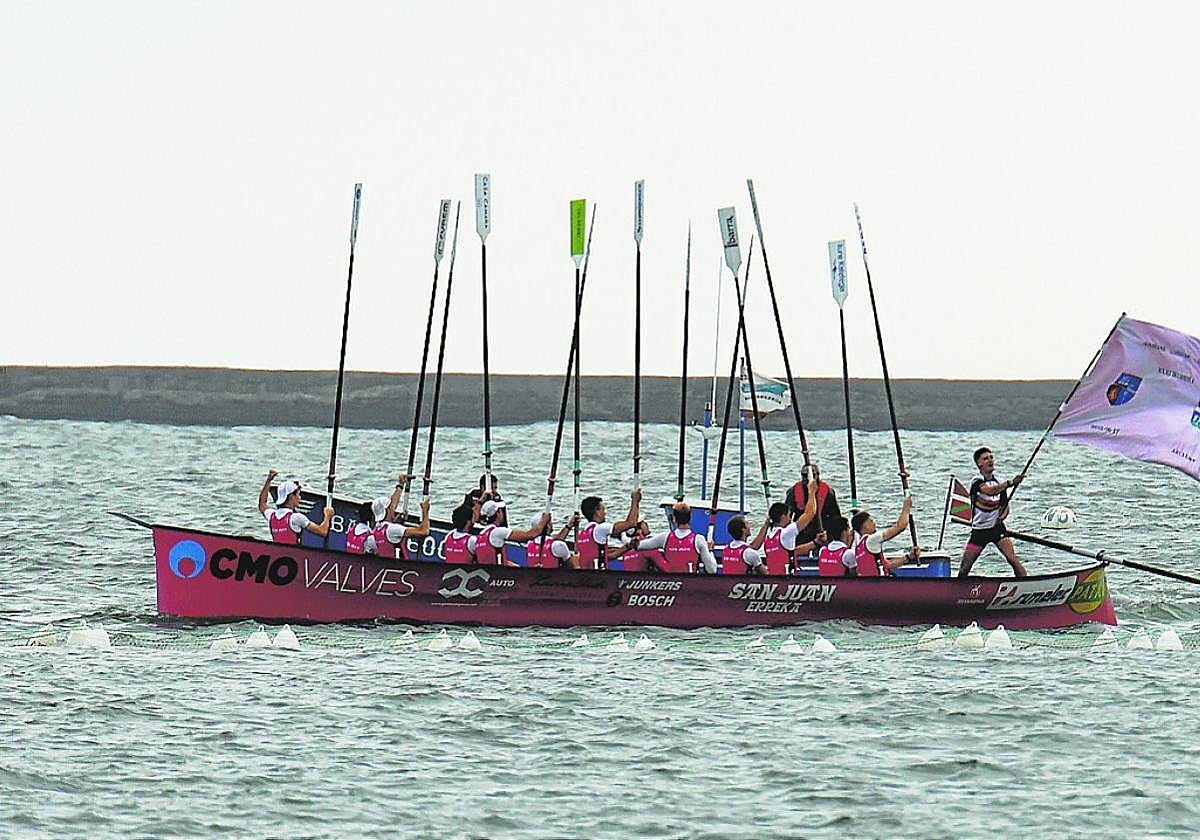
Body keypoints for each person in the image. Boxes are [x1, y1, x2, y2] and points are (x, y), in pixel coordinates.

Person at [958, 447, 1027, 578]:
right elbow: (990, 491)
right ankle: (957, 590)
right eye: (985, 458)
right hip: (979, 531)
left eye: (991, 457)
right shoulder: (976, 481)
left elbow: (1005, 505)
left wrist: (1003, 516)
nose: (990, 460)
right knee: (965, 567)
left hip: (996, 529)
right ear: (979, 464)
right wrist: (1011, 482)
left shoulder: (999, 482)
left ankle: (1026, 584)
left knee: (1012, 559)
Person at [752, 481, 823, 575]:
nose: (790, 519)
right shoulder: (786, 533)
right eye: (789, 515)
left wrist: (815, 543)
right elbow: (810, 513)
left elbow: (793, 551)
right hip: (788, 581)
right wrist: (811, 492)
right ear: (783, 517)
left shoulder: (768, 539)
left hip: (774, 580)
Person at [633, 503, 718, 573]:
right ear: (690, 519)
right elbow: (712, 570)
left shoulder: (664, 538)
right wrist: (710, 550)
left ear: (674, 519)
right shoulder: (699, 540)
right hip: (690, 584)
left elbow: (637, 546)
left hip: (672, 585)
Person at [345, 473, 415, 555]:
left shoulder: (353, 529)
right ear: (373, 518)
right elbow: (388, 535)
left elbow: (391, 507)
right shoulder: (371, 539)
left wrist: (400, 485)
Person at [258, 470, 333, 544]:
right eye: (298, 494)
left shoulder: (271, 515)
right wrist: (327, 516)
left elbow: (262, 504)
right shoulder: (296, 518)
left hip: (277, 554)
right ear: (291, 496)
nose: (299, 498)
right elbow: (323, 532)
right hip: (293, 555)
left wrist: (268, 480)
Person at [851, 496, 919, 576]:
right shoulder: (871, 540)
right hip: (880, 584)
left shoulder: (858, 548)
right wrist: (906, 507)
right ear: (865, 525)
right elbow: (900, 526)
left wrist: (908, 557)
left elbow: (887, 565)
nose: (874, 524)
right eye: (871, 521)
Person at [576, 488, 642, 571]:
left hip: (586, 576)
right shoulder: (600, 529)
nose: (605, 513)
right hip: (600, 577)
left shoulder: (582, 534)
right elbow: (631, 523)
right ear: (597, 511)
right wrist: (635, 501)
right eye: (603, 509)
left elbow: (608, 557)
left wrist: (628, 546)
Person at [785, 463, 842, 550]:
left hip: (822, 531)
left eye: (811, 475)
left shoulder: (828, 492)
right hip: (801, 533)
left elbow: (836, 517)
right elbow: (786, 516)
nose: (807, 478)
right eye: (804, 475)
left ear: (818, 475)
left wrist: (829, 534)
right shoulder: (793, 492)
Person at [475, 500, 550, 565]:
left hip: (490, 571)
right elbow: (530, 535)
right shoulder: (498, 532)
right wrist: (544, 520)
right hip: (500, 576)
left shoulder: (481, 534)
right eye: (501, 510)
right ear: (498, 513)